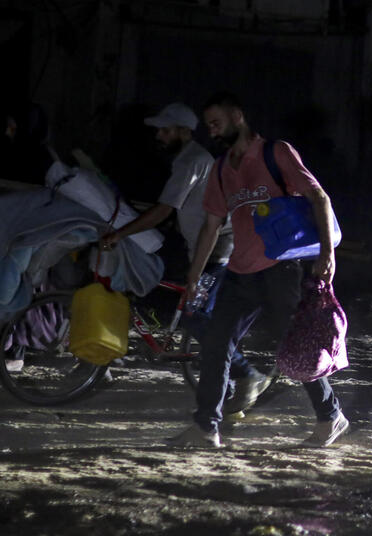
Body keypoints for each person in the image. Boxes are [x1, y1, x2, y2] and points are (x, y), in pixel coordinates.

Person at [167, 92, 345, 448]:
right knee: (216, 346)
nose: (212, 131)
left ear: (238, 116)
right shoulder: (220, 169)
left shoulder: (275, 152)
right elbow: (211, 225)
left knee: (298, 348)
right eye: (209, 126)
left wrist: (327, 252)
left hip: (280, 270)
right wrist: (194, 276)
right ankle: (206, 427)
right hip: (238, 273)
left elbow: (319, 197)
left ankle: (331, 417)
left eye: (217, 123)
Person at [99, 103, 262, 415]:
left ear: (185, 132)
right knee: (187, 308)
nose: (159, 135)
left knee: (195, 316)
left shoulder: (191, 160)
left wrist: (120, 234)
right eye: (158, 130)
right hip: (204, 247)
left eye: (165, 129)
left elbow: (163, 210)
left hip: (215, 251)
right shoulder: (189, 159)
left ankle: (245, 373)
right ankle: (226, 384)